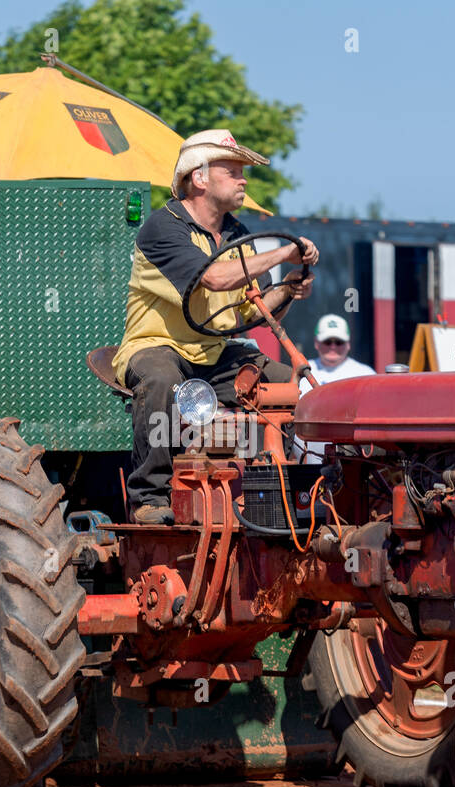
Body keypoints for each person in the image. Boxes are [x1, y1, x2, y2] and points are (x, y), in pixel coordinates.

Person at [112, 129, 318, 524]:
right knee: (159, 380)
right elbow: (216, 278)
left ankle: (295, 485)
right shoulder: (163, 227)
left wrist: (290, 286)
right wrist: (285, 251)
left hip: (213, 353)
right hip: (156, 345)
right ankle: (148, 499)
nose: (243, 180)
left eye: (243, 172)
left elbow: (252, 311)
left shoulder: (238, 234)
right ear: (200, 177)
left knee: (289, 383)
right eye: (234, 170)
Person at [295, 314, 376, 462]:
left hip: (354, 461)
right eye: (327, 341)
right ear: (316, 343)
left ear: (348, 344)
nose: (333, 346)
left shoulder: (365, 374)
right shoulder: (301, 373)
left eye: (338, 342)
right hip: (308, 463)